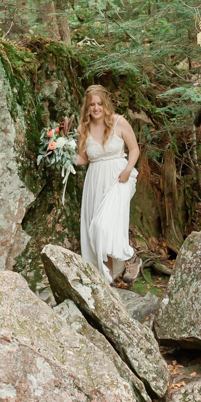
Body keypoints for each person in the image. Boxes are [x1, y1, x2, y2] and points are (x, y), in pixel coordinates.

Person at [74, 85, 141, 282]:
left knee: (103, 226)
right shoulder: (82, 129)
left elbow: (134, 149)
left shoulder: (119, 122)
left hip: (119, 177)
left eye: (99, 104)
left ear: (105, 104)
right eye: (92, 105)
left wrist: (128, 170)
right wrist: (61, 154)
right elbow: (83, 158)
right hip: (95, 180)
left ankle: (131, 257)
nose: (96, 108)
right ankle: (107, 277)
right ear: (87, 108)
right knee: (97, 232)